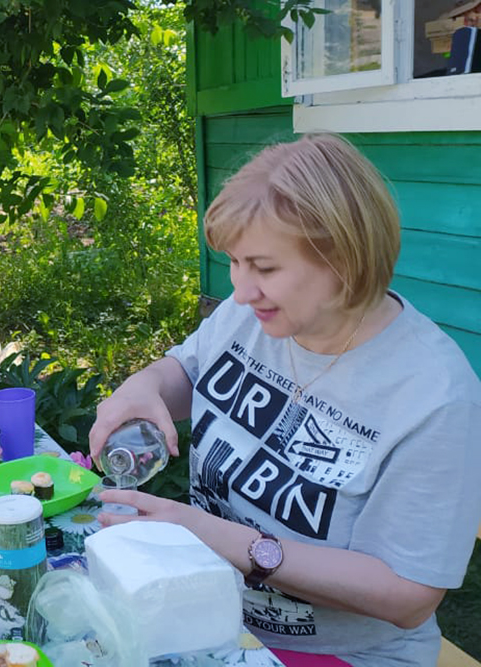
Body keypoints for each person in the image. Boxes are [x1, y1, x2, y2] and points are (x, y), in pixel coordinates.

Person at [89, 133, 481, 667]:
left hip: (340, 654)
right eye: (234, 262)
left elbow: (407, 595)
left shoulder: (434, 396)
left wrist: (216, 537)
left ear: (345, 259)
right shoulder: (251, 312)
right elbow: (187, 369)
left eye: (265, 268)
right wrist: (147, 384)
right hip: (209, 612)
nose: (242, 289)